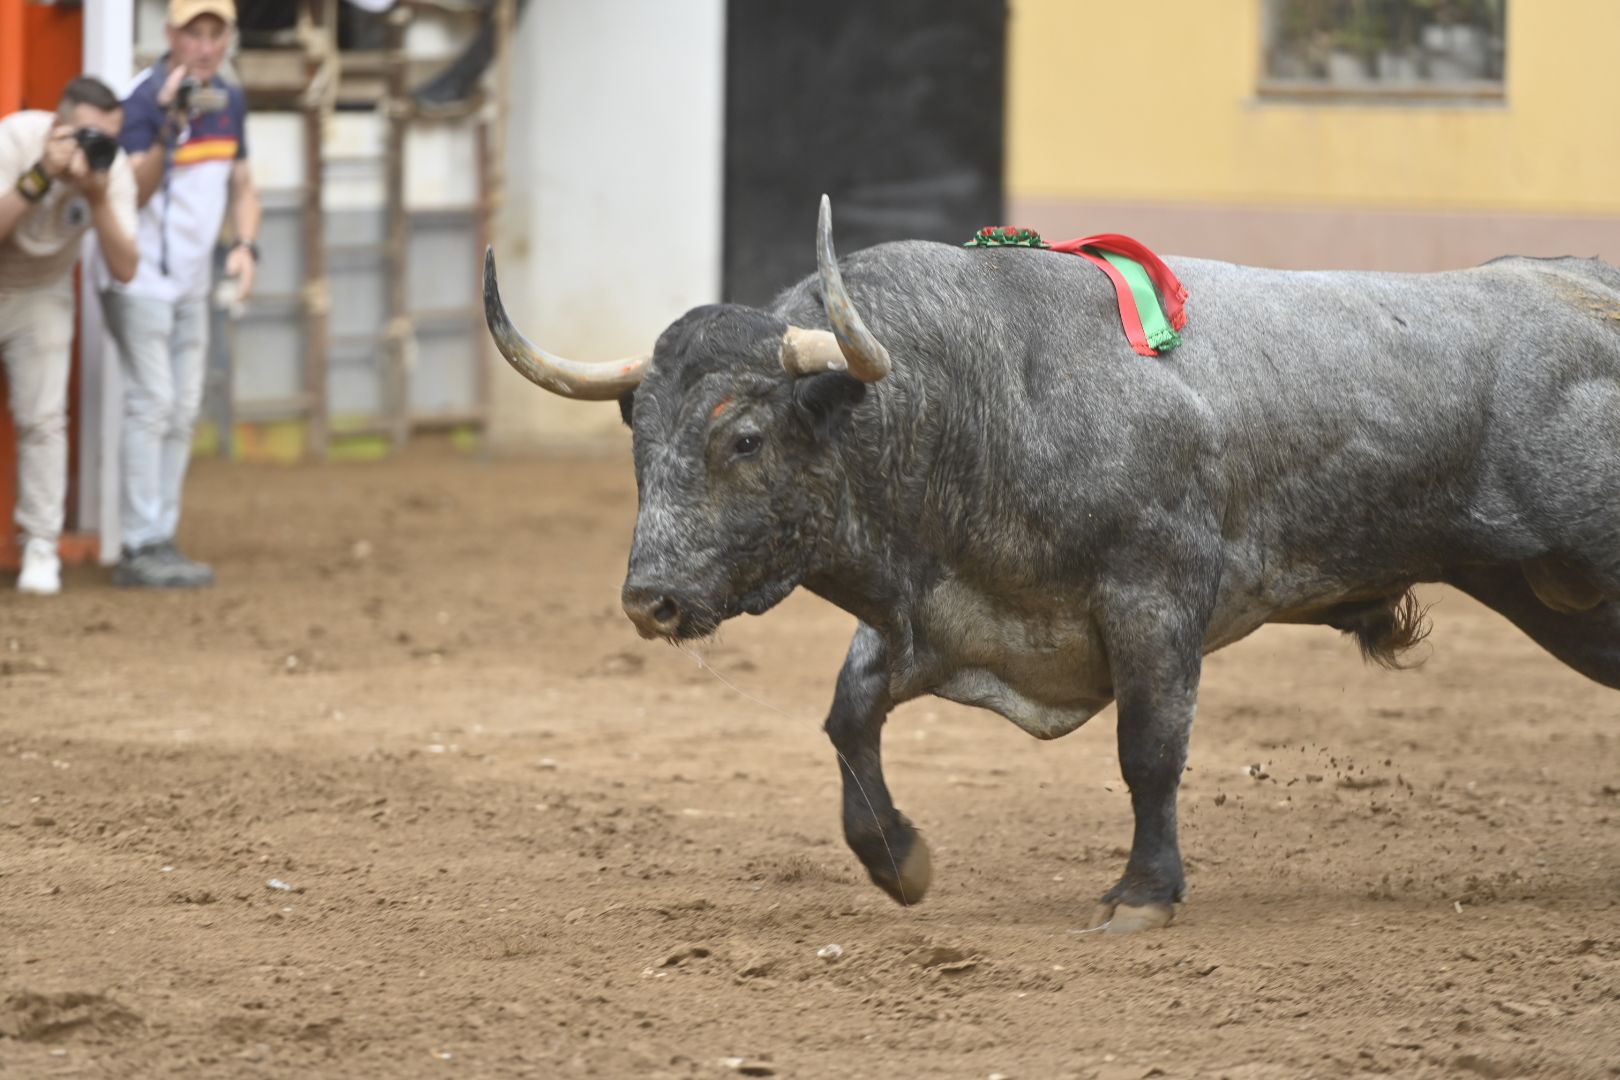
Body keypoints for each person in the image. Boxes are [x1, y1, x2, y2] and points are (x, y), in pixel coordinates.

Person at [101, 0, 260, 588]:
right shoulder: (140, 100)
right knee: (154, 402)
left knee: (182, 407)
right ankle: (140, 545)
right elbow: (129, 196)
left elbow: (244, 185)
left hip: (192, 285)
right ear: (171, 35)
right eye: (195, 33)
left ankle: (158, 536)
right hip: (138, 277)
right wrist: (167, 123)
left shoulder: (230, 98)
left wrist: (245, 245)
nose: (205, 46)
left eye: (216, 34)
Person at [0, 77, 140, 595]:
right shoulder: (15, 138)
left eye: (109, 137)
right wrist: (39, 178)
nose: (97, 147)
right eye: (87, 135)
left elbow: (126, 267)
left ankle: (41, 544)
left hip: (41, 292)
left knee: (43, 417)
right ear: (58, 126)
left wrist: (98, 197)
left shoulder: (112, 169)